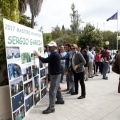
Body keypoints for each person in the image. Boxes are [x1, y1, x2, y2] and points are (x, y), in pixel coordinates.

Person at [34, 41, 64, 114]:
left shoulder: (54, 54)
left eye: (50, 47)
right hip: (56, 74)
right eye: (48, 47)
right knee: (57, 88)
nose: (49, 48)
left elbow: (45, 60)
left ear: (55, 47)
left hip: (55, 75)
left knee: (52, 91)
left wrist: (38, 56)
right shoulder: (55, 54)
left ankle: (51, 108)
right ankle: (60, 100)